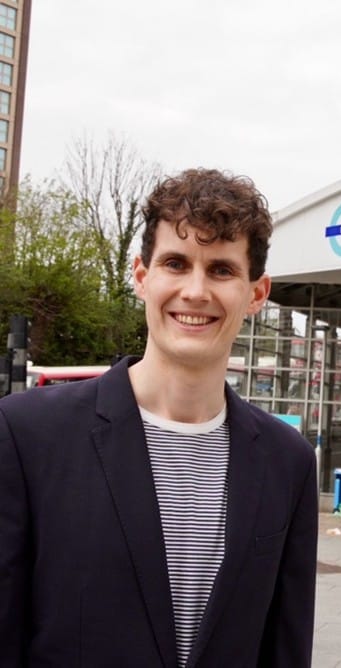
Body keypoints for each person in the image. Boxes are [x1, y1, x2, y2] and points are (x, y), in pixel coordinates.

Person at [0, 169, 318, 667]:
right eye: (176, 263)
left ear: (256, 294)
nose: (195, 290)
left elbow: (286, 648)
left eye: (220, 270)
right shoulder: (26, 435)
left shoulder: (288, 462)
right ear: (142, 276)